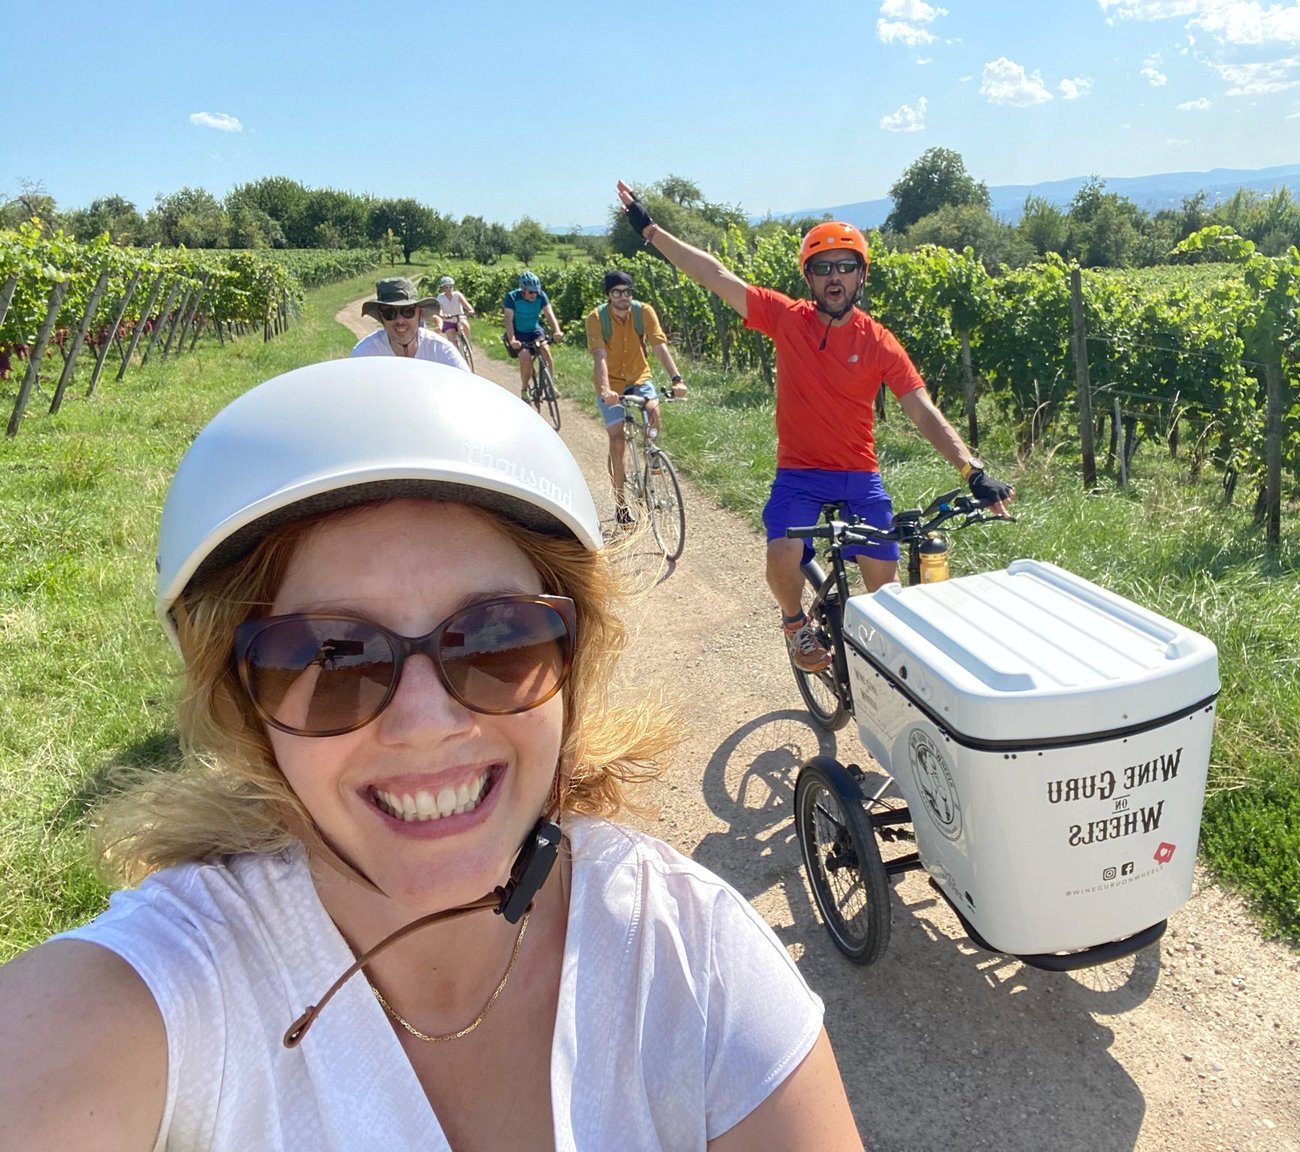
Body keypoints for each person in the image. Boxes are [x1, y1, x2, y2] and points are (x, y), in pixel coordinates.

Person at [0, 358, 864, 1151]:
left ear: (572, 665)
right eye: (328, 657)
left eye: (497, 640)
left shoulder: (690, 957)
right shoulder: (143, 1006)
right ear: (240, 703)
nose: (425, 723)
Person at [615, 181, 1013, 672]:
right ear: (808, 276)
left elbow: (921, 409)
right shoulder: (787, 319)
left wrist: (971, 469)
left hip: (858, 474)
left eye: (846, 267)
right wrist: (651, 230)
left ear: (860, 275)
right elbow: (715, 275)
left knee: (886, 590)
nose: (834, 277)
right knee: (783, 548)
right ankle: (795, 624)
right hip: (800, 471)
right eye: (822, 267)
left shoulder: (879, 342)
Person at [586, 269, 688, 528]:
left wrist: (677, 379)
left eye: (627, 292)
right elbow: (600, 356)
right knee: (618, 441)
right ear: (608, 295)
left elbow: (658, 346)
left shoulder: (644, 312)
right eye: (617, 292)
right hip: (611, 383)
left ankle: (653, 459)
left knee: (654, 412)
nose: (623, 297)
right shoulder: (597, 318)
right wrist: (607, 390)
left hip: (639, 377)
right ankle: (621, 504)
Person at [352, 277, 469, 370]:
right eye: (389, 312)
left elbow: (467, 388)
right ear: (381, 317)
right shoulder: (364, 354)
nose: (400, 320)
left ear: (419, 313)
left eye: (408, 311)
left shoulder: (442, 351)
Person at [502, 270, 565, 403]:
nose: (534, 295)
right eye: (531, 292)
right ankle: (524, 389)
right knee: (525, 359)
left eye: (536, 291)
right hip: (518, 332)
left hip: (535, 330)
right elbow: (508, 320)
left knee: (546, 350)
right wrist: (512, 339)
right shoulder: (512, 297)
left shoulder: (542, 296)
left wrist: (557, 331)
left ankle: (550, 386)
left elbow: (549, 314)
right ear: (523, 289)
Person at [435, 274, 475, 348]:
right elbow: (439, 309)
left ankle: (467, 342)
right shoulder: (440, 298)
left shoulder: (457, 295)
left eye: (450, 287)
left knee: (465, 325)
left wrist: (470, 310)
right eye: (446, 287)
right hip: (448, 321)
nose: (449, 289)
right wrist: (442, 315)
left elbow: (465, 304)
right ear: (443, 288)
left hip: (460, 318)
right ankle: (458, 353)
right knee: (452, 343)